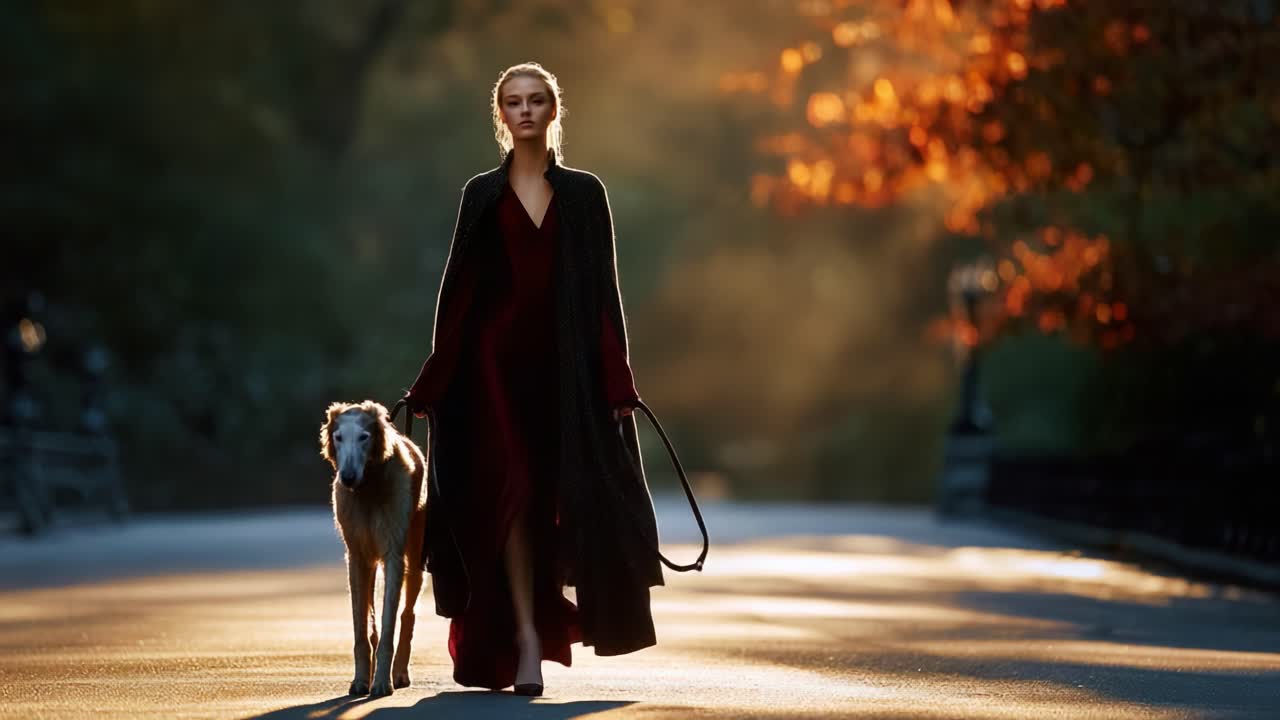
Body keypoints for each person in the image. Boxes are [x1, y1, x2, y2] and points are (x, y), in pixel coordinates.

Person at [402, 62, 664, 696]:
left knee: (562, 493)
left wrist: (616, 378)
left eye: (537, 100)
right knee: (514, 491)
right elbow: (458, 295)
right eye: (513, 101)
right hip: (491, 368)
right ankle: (524, 639)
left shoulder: (586, 193)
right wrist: (437, 377)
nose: (525, 110)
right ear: (501, 115)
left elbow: (604, 295)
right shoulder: (480, 194)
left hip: (565, 369)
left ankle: (544, 622)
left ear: (554, 110)